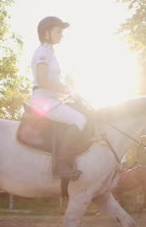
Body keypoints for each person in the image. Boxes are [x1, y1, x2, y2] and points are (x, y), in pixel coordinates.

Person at [29, 16, 87, 180]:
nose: (62, 34)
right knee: (79, 120)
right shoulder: (42, 51)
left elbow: (52, 81)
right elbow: (42, 80)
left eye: (62, 32)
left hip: (51, 100)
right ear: (47, 33)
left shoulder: (50, 52)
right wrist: (66, 88)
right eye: (58, 31)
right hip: (42, 101)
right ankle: (61, 164)